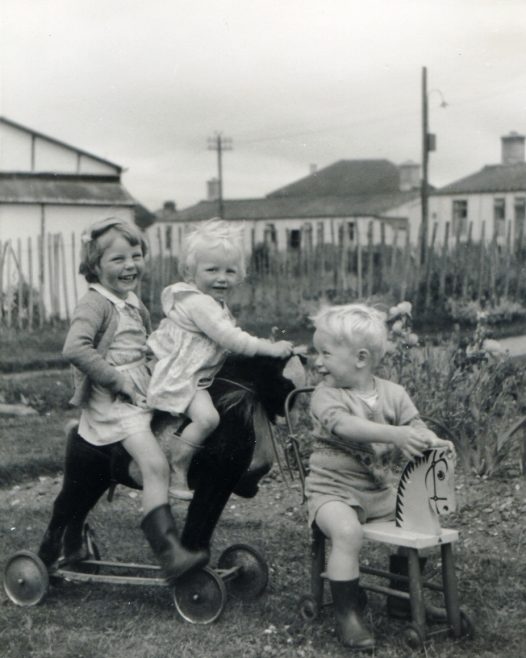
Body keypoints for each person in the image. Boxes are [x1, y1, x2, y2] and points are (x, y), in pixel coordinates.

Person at [38, 217, 208, 582]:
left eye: (136, 255)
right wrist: (116, 379)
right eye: (118, 259)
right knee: (155, 464)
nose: (130, 265)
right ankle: (169, 552)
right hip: (112, 399)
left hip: (139, 387)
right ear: (95, 266)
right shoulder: (95, 304)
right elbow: (74, 347)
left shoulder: (132, 301)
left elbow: (144, 344)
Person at [304, 303, 455, 651]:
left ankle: (403, 597)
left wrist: (429, 439)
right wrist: (396, 436)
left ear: (360, 358)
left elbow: (414, 426)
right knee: (346, 532)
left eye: (325, 352)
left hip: (379, 491)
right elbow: (346, 426)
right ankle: (347, 613)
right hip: (333, 492)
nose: (317, 360)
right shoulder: (326, 396)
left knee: (417, 522)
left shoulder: (393, 394)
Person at [147, 218, 294, 500]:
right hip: (184, 376)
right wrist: (268, 347)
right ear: (191, 271)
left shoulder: (211, 302)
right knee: (208, 419)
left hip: (198, 372)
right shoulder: (199, 303)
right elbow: (230, 338)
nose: (222, 278)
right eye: (212, 270)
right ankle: (177, 467)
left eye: (230, 270)